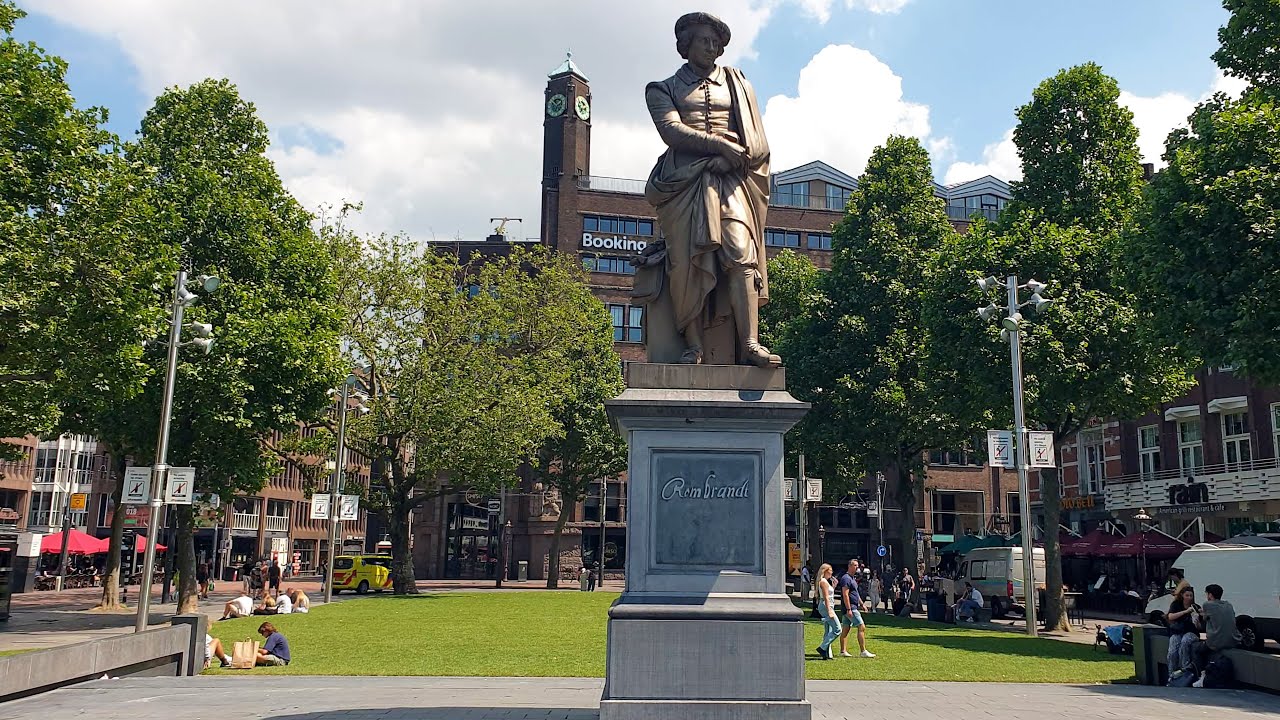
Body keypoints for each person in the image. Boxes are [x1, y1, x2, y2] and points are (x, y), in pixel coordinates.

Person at [637, 12, 779, 367]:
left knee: (740, 251)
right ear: (685, 45)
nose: (713, 48)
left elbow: (757, 140)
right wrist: (719, 147)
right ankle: (694, 346)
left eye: (717, 42)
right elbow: (671, 131)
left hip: (732, 179)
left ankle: (749, 343)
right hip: (683, 184)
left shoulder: (737, 84)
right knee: (684, 263)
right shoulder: (662, 89)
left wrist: (733, 158)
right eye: (705, 40)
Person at [1191, 583, 1241, 688]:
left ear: (1210, 595)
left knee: (1196, 648)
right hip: (1234, 640)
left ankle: (1201, 676)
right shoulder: (1228, 604)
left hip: (1215, 642)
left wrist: (1199, 614)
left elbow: (1204, 619)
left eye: (1207, 594)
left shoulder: (1207, 604)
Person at [837, 560, 875, 658]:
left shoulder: (852, 578)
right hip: (851, 608)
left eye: (857, 566)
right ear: (849, 566)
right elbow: (845, 594)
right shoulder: (846, 578)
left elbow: (855, 594)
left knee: (846, 628)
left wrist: (862, 604)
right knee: (861, 626)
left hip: (852, 606)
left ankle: (843, 651)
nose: (857, 568)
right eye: (855, 565)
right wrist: (849, 609)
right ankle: (863, 651)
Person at [1165, 585, 1200, 682]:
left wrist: (1196, 621)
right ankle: (1171, 674)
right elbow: (1170, 617)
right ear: (1182, 595)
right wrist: (1185, 612)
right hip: (1177, 631)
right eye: (1187, 595)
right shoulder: (1176, 605)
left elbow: (1200, 627)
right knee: (1172, 651)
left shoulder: (1196, 607)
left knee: (1185, 642)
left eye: (1191, 596)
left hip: (1191, 632)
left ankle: (1184, 670)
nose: (1189, 598)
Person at [815, 563, 840, 660]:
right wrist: (829, 611)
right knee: (837, 629)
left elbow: (828, 594)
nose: (832, 573)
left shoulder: (825, 581)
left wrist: (833, 587)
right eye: (830, 571)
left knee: (828, 630)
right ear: (825, 571)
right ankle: (822, 647)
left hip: (827, 605)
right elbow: (825, 597)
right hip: (826, 606)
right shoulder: (823, 582)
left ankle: (826, 653)